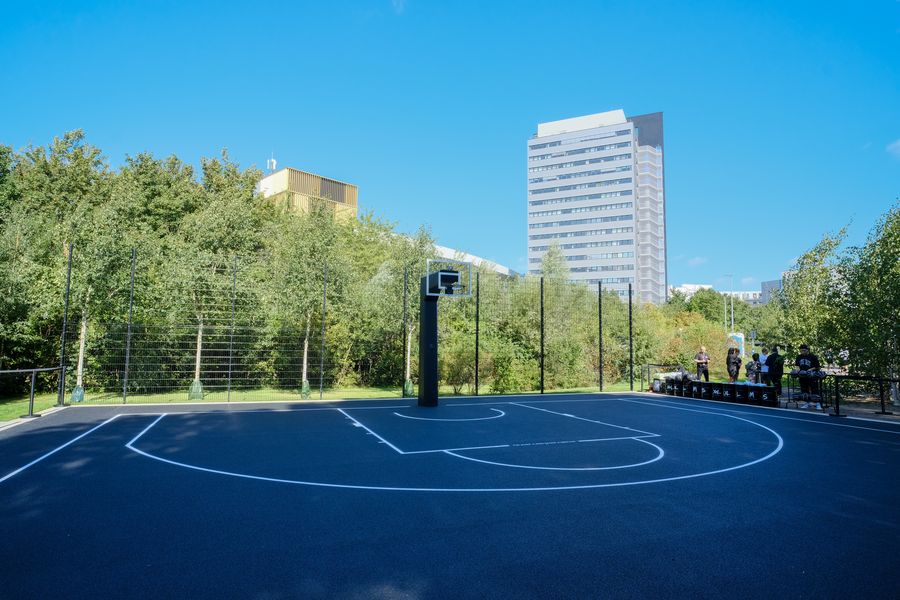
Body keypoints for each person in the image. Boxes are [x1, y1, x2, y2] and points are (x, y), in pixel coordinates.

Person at [796, 343, 822, 410]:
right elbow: (797, 365)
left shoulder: (813, 356)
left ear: (807, 350)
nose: (802, 352)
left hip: (812, 376)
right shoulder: (799, 357)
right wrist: (798, 371)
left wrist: (810, 369)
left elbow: (817, 367)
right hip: (802, 376)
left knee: (815, 390)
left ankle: (818, 404)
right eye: (801, 350)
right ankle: (807, 403)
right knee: (804, 390)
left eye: (804, 350)